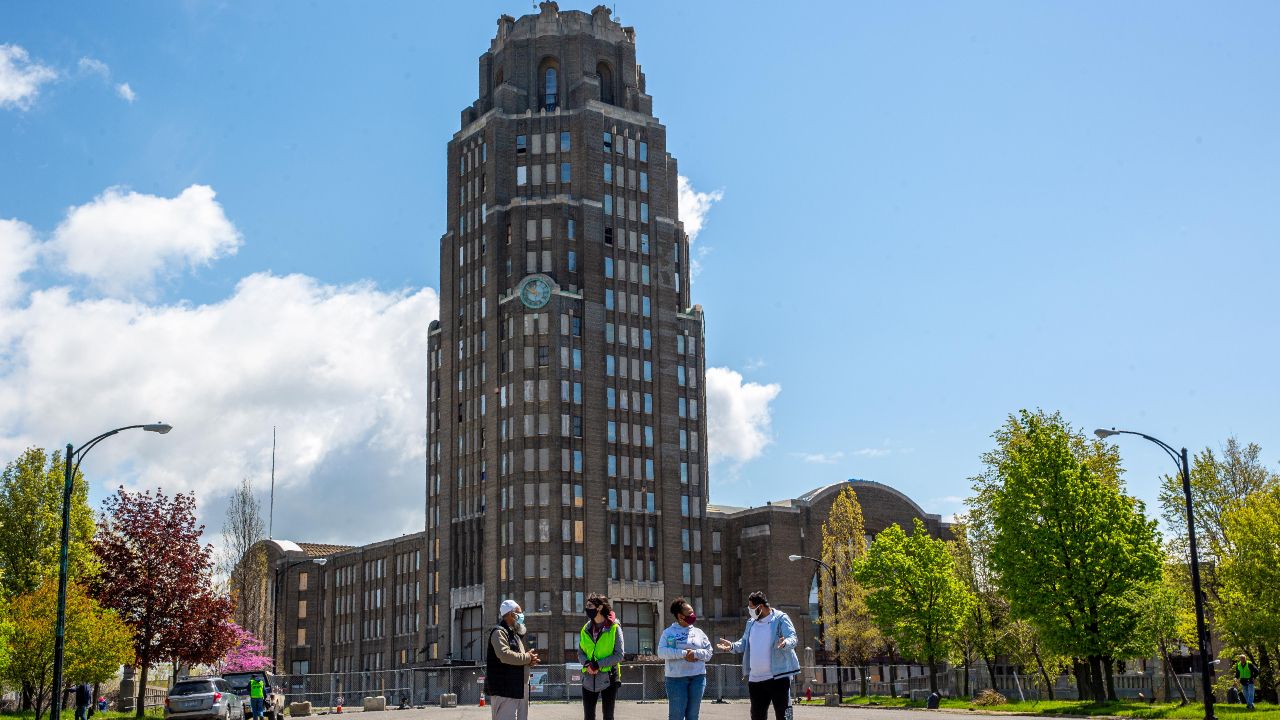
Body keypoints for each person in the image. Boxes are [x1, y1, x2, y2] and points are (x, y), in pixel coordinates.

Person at [716, 591, 800, 720]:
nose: (749, 611)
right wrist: (732, 646)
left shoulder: (780, 618)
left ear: (760, 607)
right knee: (757, 716)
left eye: (751, 608)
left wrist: (785, 643)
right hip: (755, 680)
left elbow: (793, 638)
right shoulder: (751, 622)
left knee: (784, 715)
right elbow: (743, 643)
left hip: (778, 677)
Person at [658, 598, 713, 720]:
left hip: (698, 678)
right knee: (676, 716)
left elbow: (709, 653)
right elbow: (661, 652)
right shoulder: (668, 633)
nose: (693, 616)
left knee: (693, 716)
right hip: (676, 679)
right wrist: (683, 653)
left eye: (693, 612)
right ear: (680, 616)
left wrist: (695, 653)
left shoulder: (699, 632)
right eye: (689, 614)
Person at [485, 599, 539, 720]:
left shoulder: (513, 634)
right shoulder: (499, 632)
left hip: (518, 688)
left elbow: (519, 658)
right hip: (505, 691)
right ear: (511, 614)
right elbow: (505, 655)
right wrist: (527, 657)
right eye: (519, 613)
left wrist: (529, 661)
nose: (521, 616)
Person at [578, 593, 624, 720]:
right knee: (588, 716)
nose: (587, 608)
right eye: (586, 605)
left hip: (608, 677)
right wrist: (587, 664)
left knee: (608, 716)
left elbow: (619, 655)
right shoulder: (585, 629)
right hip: (588, 677)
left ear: (599, 608)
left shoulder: (614, 627)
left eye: (590, 605)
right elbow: (580, 652)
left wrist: (598, 664)